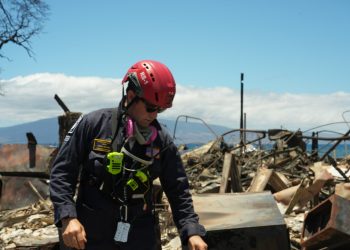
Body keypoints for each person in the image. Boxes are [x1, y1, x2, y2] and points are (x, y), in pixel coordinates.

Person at [49, 60, 208, 250]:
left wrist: (192, 232)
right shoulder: (93, 125)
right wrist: (68, 218)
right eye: (150, 108)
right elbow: (62, 173)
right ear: (131, 96)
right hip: (91, 235)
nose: (155, 115)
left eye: (160, 109)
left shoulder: (162, 141)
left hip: (140, 236)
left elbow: (178, 190)